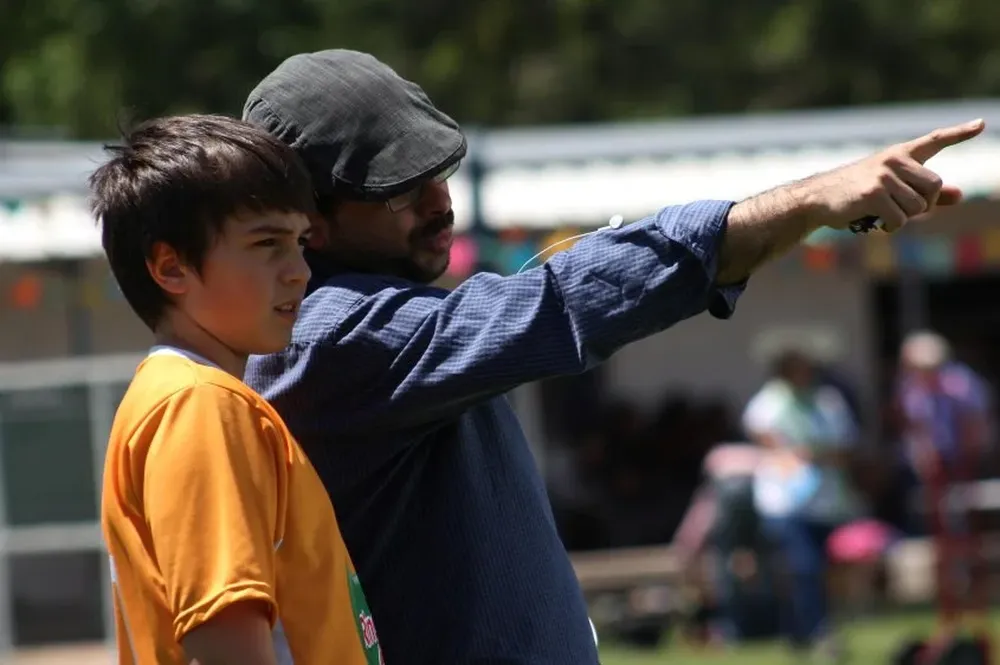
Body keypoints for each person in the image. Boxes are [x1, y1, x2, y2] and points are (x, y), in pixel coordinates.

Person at [241, 48, 984, 665]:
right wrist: (799, 204)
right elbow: (558, 301)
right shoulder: (331, 337)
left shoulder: (376, 319)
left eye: (440, 170)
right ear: (306, 218)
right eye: (400, 188)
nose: (440, 202)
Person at [93, 114, 384, 665]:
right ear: (171, 267)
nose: (299, 270)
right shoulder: (200, 404)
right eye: (266, 242)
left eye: (300, 242)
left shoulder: (180, 394)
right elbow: (224, 643)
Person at [742, 349, 865, 659]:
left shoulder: (828, 401)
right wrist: (799, 452)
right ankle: (817, 632)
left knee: (825, 572)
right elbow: (763, 435)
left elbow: (846, 449)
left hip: (827, 503)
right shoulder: (769, 401)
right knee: (803, 568)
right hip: (785, 503)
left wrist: (812, 454)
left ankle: (802, 633)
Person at [895, 331, 992, 644]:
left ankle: (975, 612)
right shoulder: (912, 388)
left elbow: (976, 428)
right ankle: (949, 614)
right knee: (942, 546)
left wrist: (966, 465)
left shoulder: (962, 385)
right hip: (934, 475)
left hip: (965, 468)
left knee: (969, 542)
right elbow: (915, 429)